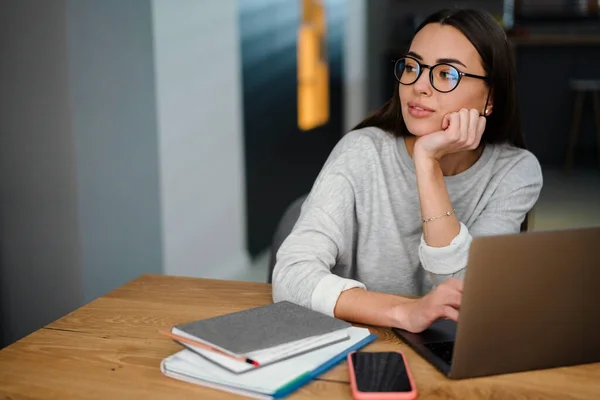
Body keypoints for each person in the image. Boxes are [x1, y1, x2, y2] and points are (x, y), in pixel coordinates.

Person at [272, 8, 543, 333]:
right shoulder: (362, 151)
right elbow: (290, 277)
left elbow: (468, 296)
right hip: (367, 340)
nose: (419, 86)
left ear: (490, 97)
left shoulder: (514, 172)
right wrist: (406, 312)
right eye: (412, 67)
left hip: (458, 352)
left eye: (445, 74)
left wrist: (428, 165)